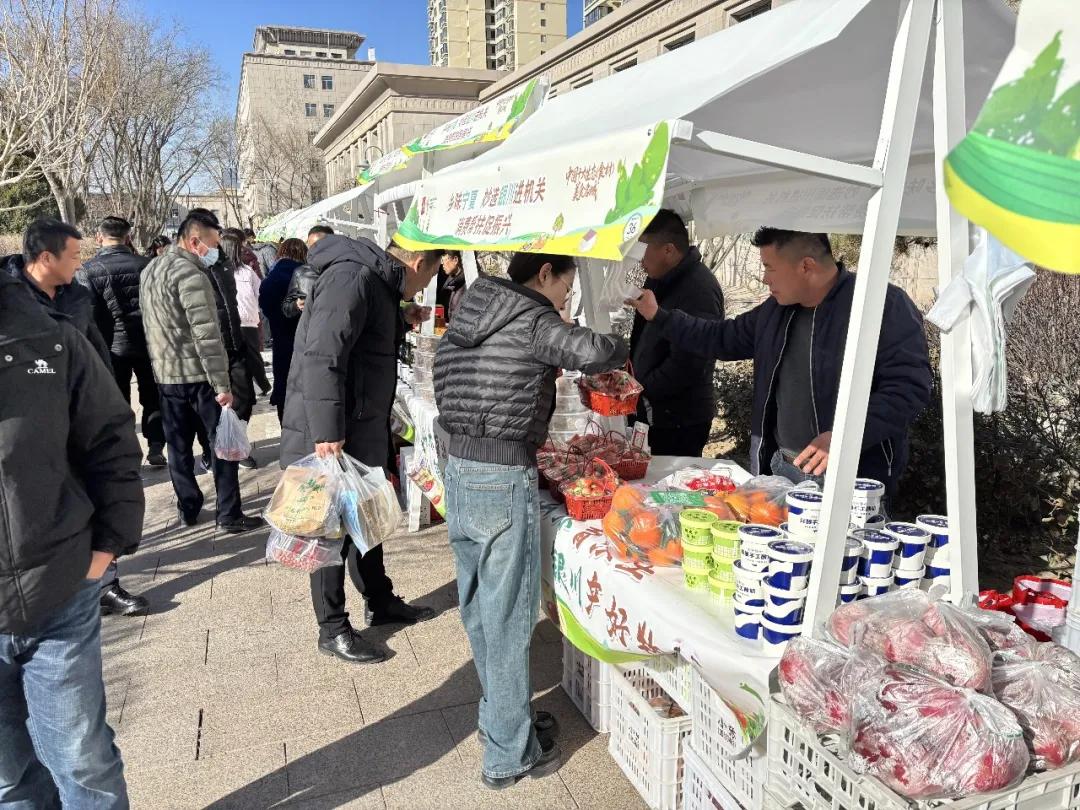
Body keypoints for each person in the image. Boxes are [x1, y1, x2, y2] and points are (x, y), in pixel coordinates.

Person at [434, 252, 628, 789]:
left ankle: (501, 719)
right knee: (509, 616)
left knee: (480, 608)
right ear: (545, 274)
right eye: (566, 286)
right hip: (501, 474)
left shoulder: (472, 309)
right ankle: (508, 754)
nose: (566, 299)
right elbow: (592, 351)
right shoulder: (531, 317)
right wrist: (622, 335)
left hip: (459, 468)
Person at [628, 227, 932, 498]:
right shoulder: (776, 311)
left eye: (769, 267)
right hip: (780, 470)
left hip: (851, 478)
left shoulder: (881, 304)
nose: (764, 278)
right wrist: (659, 316)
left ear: (806, 266)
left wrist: (846, 435)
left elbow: (909, 388)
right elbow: (721, 337)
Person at [0, 267, 144, 807]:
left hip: (58, 586)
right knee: (9, 778)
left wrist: (106, 549)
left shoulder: (50, 337)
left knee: (83, 761)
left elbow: (110, 439)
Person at [280, 235, 442, 664]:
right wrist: (327, 431)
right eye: (428, 277)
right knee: (330, 529)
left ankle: (379, 599)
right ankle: (332, 628)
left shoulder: (374, 283)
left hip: (358, 424)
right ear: (418, 262)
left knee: (364, 517)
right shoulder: (352, 276)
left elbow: (361, 336)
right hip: (335, 430)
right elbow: (323, 356)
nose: (424, 287)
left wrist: (400, 318)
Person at [7, 218, 149, 618]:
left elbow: (97, 345)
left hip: (86, 412)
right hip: (35, 434)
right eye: (73, 255)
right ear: (45, 258)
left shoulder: (77, 295)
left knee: (97, 490)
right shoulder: (12, 306)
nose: (80, 262)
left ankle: (105, 582)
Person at [140, 210, 262, 533]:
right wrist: (222, 384)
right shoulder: (191, 274)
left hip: (167, 375)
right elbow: (207, 335)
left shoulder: (151, 270)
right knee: (221, 444)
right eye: (213, 243)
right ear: (195, 242)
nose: (216, 250)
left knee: (178, 447)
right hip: (198, 377)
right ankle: (229, 512)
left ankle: (188, 507)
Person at [629, 209, 724, 458]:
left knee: (672, 481)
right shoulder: (658, 279)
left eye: (643, 250)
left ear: (668, 250)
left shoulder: (699, 289)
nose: (639, 260)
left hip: (679, 418)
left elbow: (690, 363)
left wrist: (641, 390)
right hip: (652, 409)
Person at [78, 216, 168, 469]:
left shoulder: (88, 270)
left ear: (99, 237)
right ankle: (156, 445)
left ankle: (126, 451)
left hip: (112, 347)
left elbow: (89, 315)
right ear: (128, 237)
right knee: (152, 395)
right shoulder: (148, 265)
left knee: (117, 400)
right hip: (150, 342)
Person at [259, 238, 307, 423]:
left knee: (284, 387)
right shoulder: (306, 276)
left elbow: (265, 307)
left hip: (280, 340)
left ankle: (285, 428)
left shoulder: (271, 278)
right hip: (304, 340)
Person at [221, 228, 272, 399]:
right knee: (249, 355)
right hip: (244, 319)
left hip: (240, 320)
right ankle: (256, 385)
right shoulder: (242, 271)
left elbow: (259, 291)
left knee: (244, 356)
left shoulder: (242, 271)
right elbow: (259, 292)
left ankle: (258, 385)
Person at [281, 225, 333, 318]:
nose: (314, 251)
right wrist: (296, 305)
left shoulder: (348, 270)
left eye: (320, 246)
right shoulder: (301, 273)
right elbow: (286, 308)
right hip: (312, 325)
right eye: (311, 247)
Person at [436, 250, 467, 323]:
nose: (442, 263)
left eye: (444, 259)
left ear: (455, 260)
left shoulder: (467, 282)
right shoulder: (449, 281)